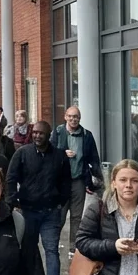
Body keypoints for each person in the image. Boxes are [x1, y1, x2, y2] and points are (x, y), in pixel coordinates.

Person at [6, 121, 73, 275]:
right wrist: (14, 201)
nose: (37, 136)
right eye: (34, 132)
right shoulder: (22, 153)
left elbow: (66, 182)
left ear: (49, 134)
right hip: (27, 211)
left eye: (41, 133)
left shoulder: (59, 156)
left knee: (51, 250)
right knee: (27, 250)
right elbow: (10, 178)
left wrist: (60, 201)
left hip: (51, 212)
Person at [52, 107, 104, 253]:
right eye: (71, 116)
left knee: (76, 216)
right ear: (65, 117)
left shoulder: (87, 135)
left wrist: (96, 180)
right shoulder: (57, 132)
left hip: (78, 180)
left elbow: (94, 158)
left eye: (76, 117)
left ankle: (73, 248)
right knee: (59, 215)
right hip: (61, 181)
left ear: (80, 118)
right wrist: (62, 153)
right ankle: (53, 244)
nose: (73, 119)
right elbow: (49, 153)